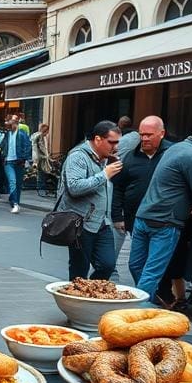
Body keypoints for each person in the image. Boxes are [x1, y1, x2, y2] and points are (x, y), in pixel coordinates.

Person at [129, 120, 192, 303]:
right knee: (151, 272)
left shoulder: (176, 148)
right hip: (166, 221)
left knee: (137, 266)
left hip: (144, 214)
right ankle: (138, 311)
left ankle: (146, 303)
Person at [111, 116, 172, 298]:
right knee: (136, 264)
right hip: (135, 219)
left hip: (163, 220)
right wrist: (117, 216)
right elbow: (118, 187)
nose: (144, 139)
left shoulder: (171, 154)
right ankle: (149, 296)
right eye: (141, 134)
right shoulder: (131, 156)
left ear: (162, 134)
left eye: (149, 135)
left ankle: (154, 298)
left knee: (155, 265)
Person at [56, 120, 123, 280]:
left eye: (117, 142)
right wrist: (104, 174)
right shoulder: (78, 156)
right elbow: (74, 187)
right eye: (111, 142)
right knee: (80, 269)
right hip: (80, 223)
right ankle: (76, 301)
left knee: (107, 265)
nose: (115, 147)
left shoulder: (106, 158)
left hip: (103, 222)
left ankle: (90, 293)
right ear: (98, 139)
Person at [2, 118, 32, 213]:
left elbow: (27, 146)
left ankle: (16, 202)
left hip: (19, 162)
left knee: (18, 184)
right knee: (12, 181)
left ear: (16, 124)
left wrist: (24, 159)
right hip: (8, 162)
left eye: (10, 126)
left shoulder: (22, 134)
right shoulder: (7, 134)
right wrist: (3, 155)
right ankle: (15, 203)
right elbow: (3, 145)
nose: (9, 128)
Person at [31, 123, 51, 195]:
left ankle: (41, 188)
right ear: (45, 130)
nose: (48, 132)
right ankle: (42, 189)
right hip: (41, 158)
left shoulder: (36, 135)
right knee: (43, 173)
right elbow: (41, 147)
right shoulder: (40, 136)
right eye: (47, 131)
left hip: (37, 157)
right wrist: (47, 156)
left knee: (41, 173)